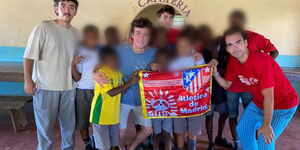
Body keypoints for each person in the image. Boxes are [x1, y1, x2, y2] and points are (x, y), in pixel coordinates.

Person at [212, 27, 298, 150]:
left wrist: (267, 124)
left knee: (264, 139)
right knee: (242, 130)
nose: (235, 47)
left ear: (246, 43)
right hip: (259, 103)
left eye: (238, 42)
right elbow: (227, 84)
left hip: (283, 105)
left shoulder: (262, 60)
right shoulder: (233, 60)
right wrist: (215, 74)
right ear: (227, 49)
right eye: (230, 45)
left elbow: (269, 96)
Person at [23, 0, 79, 149]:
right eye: (63, 6)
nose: (67, 10)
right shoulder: (43, 27)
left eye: (71, 7)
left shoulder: (76, 33)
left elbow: (76, 61)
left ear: (75, 12)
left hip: (68, 88)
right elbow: (28, 56)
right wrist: (28, 80)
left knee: (69, 129)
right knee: (45, 130)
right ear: (56, 9)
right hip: (45, 87)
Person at [93, 17, 156, 150]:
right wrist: (93, 74)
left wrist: (158, 66)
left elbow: (170, 66)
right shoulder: (119, 49)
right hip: (121, 98)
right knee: (120, 134)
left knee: (148, 129)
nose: (141, 38)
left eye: (145, 34)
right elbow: (99, 63)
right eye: (138, 33)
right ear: (132, 35)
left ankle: (131, 148)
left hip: (144, 100)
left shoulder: (154, 53)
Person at [225, 10, 280, 149]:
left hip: (250, 88)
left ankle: (254, 142)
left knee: (254, 117)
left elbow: (274, 51)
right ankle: (237, 143)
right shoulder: (227, 39)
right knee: (232, 115)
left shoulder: (255, 37)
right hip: (231, 86)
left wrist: (265, 66)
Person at [90, 46, 140, 150]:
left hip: (113, 116)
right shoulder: (102, 72)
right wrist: (130, 82)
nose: (114, 61)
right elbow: (111, 93)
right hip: (100, 116)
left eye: (115, 58)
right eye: (110, 59)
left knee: (114, 144)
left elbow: (121, 91)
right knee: (104, 147)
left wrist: (130, 82)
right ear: (104, 60)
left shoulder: (117, 72)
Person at [168, 34, 206, 150]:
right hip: (179, 104)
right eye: (181, 46)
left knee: (192, 133)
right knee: (179, 132)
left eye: (187, 45)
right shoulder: (173, 62)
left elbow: (204, 77)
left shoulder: (198, 58)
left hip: (195, 104)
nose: (184, 48)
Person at [198, 25, 233, 150]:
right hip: (208, 87)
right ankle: (210, 143)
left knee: (224, 113)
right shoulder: (204, 49)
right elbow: (199, 66)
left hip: (222, 85)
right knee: (209, 115)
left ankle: (219, 136)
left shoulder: (227, 48)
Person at [71, 24, 100, 150]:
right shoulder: (80, 52)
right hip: (83, 91)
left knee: (99, 120)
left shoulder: (101, 52)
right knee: (83, 121)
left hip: (99, 90)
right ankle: (87, 142)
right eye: (89, 36)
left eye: (94, 36)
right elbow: (77, 78)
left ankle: (97, 140)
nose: (92, 38)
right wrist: (72, 65)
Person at [150, 48, 173, 150]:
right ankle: (155, 147)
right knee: (156, 133)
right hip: (156, 111)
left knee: (167, 134)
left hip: (168, 109)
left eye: (165, 61)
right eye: (160, 61)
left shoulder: (173, 74)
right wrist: (151, 69)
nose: (163, 63)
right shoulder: (151, 74)